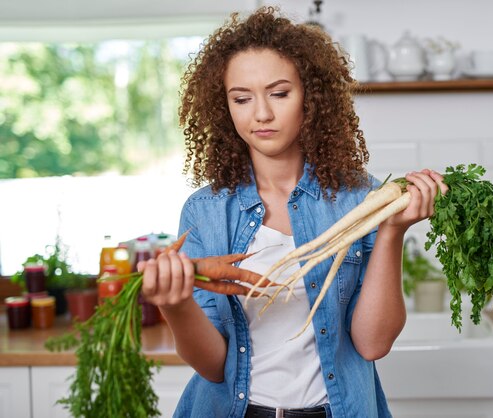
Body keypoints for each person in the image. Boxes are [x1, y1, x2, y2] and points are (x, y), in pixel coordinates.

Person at [140, 6, 447, 418]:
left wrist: (392, 232)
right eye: (241, 98)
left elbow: (373, 344)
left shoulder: (362, 199)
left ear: (311, 98)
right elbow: (214, 367)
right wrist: (175, 306)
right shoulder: (206, 211)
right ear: (224, 107)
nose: (261, 114)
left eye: (279, 93)